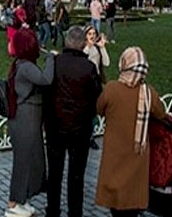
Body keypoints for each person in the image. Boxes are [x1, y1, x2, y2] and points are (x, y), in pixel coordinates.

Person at [95, 47, 166, 217]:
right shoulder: (148, 93)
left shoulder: (111, 89)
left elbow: (99, 108)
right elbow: (161, 113)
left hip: (115, 153)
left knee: (116, 197)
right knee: (133, 197)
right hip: (137, 153)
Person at [43, 26, 102, 217]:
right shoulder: (89, 67)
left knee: (55, 173)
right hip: (79, 128)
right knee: (76, 175)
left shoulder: (55, 62)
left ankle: (53, 210)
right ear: (83, 44)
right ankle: (74, 212)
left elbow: (45, 91)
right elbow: (96, 97)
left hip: (55, 127)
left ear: (67, 42)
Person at [5, 27, 53, 217]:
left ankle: (21, 200)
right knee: (23, 162)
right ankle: (13, 203)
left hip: (26, 118)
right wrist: (50, 58)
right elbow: (46, 80)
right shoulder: (26, 67)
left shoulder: (21, 64)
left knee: (29, 160)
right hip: (25, 119)